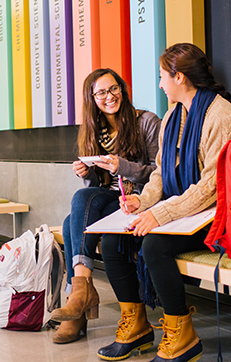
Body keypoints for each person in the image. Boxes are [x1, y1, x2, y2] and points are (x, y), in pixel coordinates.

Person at [96, 43, 231, 362]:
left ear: (180, 77)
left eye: (163, 76)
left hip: (213, 217)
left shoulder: (221, 115)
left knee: (153, 246)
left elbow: (212, 186)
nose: (160, 84)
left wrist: (160, 214)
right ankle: (136, 327)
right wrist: (142, 201)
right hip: (181, 212)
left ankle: (182, 334)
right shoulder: (173, 116)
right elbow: (162, 171)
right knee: (111, 243)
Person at [51, 68, 161, 344]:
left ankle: (77, 301)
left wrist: (122, 166)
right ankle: (81, 291)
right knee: (77, 206)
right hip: (108, 198)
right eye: (101, 92)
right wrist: (86, 173)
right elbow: (97, 186)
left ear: (122, 89)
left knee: (69, 222)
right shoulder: (93, 130)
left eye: (114, 89)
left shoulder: (145, 121)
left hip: (137, 198)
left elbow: (159, 172)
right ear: (92, 98)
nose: (109, 96)